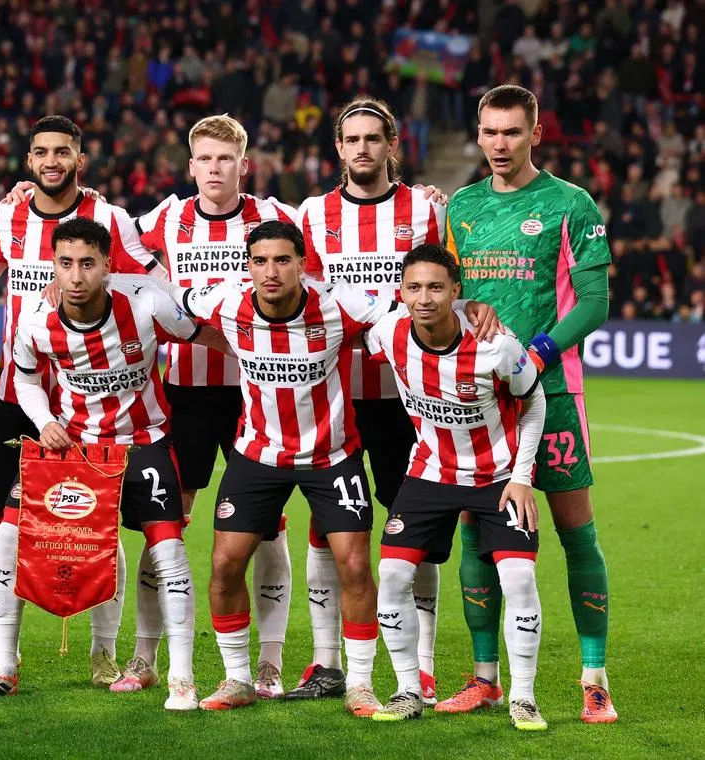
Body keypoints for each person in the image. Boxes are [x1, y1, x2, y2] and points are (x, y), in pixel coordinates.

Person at [175, 221, 497, 713]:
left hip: (332, 456)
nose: (270, 271)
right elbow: (162, 299)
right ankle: (237, 677)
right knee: (223, 565)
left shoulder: (339, 303)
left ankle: (360, 683)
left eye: (282, 260)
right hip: (258, 455)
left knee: (353, 566)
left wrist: (463, 306)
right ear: (248, 266)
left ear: (303, 264)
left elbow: (411, 306)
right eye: (259, 261)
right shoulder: (224, 302)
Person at [0, 217, 222, 710]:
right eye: (64, 264)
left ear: (107, 265)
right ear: (53, 266)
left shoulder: (146, 301)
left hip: (143, 442)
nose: (75, 276)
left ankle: (181, 676)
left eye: (87, 264)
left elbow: (201, 333)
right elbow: (26, 380)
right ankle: (4, 666)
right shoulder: (37, 320)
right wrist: (43, 420)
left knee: (167, 549)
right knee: (10, 533)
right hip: (72, 447)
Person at [0, 115, 166, 688]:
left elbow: (155, 283)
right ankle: (4, 659)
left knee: (98, 525)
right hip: (18, 395)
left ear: (81, 159)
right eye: (41, 152)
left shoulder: (109, 219)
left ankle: (103, 654)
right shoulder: (8, 214)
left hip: (94, 404)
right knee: (9, 524)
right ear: (29, 160)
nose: (51, 161)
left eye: (63, 152)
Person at [443, 84, 617, 723]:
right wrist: (466, 311)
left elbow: (595, 303)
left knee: (578, 534)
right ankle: (486, 676)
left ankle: (593, 677)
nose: (498, 144)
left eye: (511, 132)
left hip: (555, 395)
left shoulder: (571, 205)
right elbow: (446, 293)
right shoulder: (459, 208)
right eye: (489, 131)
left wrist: (538, 352)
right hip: (482, 401)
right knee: (479, 538)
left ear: (535, 134)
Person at [132, 114, 298, 698]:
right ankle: (144, 656)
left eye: (225, 158)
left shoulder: (274, 219)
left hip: (262, 390)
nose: (214, 169)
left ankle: (270, 662)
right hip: (183, 392)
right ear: (191, 163)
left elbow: (337, 246)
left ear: (242, 164)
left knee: (269, 527)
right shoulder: (166, 218)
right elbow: (111, 241)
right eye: (204, 158)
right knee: (165, 521)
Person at [290, 97, 446, 704]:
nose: (362, 149)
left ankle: (424, 665)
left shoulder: (426, 211)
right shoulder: (311, 213)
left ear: (391, 146)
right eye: (351, 139)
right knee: (328, 530)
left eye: (372, 139)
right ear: (338, 148)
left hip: (408, 399)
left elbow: (448, 287)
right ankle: (327, 663)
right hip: (333, 395)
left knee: (419, 532)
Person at [364, 244, 548, 730]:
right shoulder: (387, 332)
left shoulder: (497, 347)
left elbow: (535, 400)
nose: (424, 298)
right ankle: (408, 690)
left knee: (519, 580)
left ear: (456, 292)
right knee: (392, 576)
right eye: (414, 288)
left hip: (499, 479)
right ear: (400, 292)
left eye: (437, 288)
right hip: (429, 474)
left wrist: (524, 477)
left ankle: (523, 697)